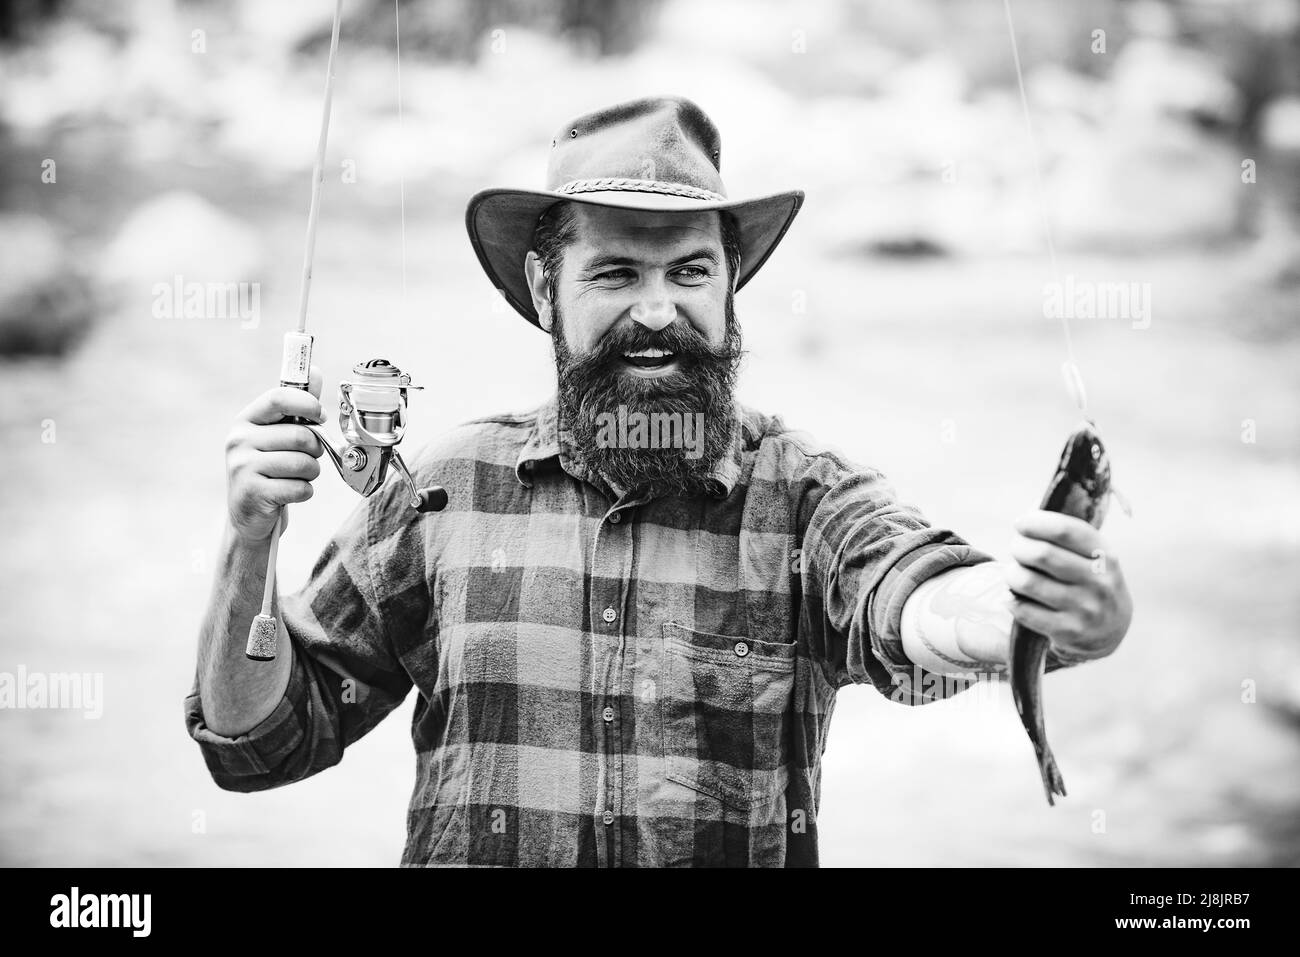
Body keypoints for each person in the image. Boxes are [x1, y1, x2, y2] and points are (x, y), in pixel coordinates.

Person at [185, 95, 1132, 867]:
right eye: (615, 273)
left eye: (689, 270)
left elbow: (918, 602)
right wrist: (248, 540)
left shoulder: (803, 498)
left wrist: (1034, 612)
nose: (657, 309)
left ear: (729, 288)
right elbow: (259, 740)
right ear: (546, 288)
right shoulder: (444, 491)